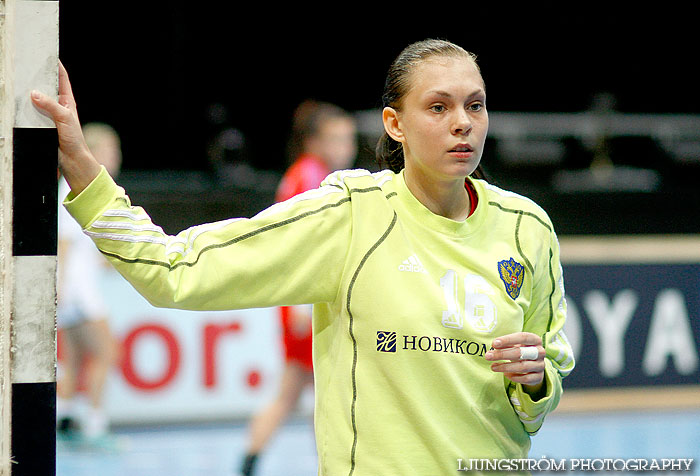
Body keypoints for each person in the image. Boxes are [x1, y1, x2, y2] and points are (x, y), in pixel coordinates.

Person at [33, 39, 575, 475]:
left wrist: (534, 382)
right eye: (438, 107)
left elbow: (545, 377)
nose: (463, 123)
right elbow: (175, 271)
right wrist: (80, 165)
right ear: (394, 124)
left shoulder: (527, 228)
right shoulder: (349, 214)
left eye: (474, 105)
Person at [239, 100, 357, 476]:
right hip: (307, 307)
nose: (346, 148)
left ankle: (251, 459)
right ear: (313, 142)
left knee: (297, 393)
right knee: (326, 393)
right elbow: (303, 251)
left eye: (349, 139)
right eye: (337, 139)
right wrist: (301, 311)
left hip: (301, 304)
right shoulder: (311, 178)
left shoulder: (302, 174)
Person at [56, 122, 121, 446]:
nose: (116, 156)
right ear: (92, 152)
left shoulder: (82, 188)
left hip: (73, 289)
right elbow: (64, 243)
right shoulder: (79, 187)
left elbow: (79, 246)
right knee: (107, 352)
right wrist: (63, 290)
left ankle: (64, 417)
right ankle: (95, 427)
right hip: (77, 292)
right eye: (110, 149)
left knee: (77, 358)